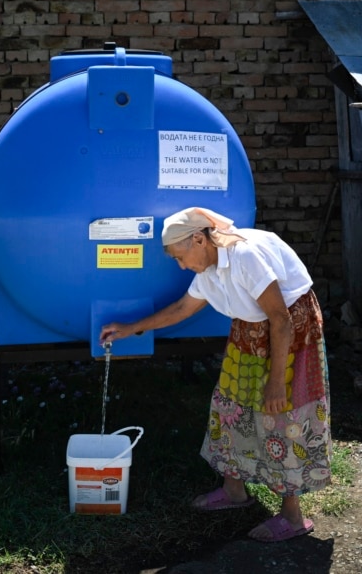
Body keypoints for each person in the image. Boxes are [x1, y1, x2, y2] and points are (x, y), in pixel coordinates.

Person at [100, 206, 332, 543]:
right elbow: (182, 308)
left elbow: (280, 319)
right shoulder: (209, 268)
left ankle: (293, 517)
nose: (182, 266)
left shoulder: (245, 256)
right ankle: (234, 490)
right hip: (249, 330)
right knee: (230, 406)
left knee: (285, 417)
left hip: (291, 330)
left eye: (182, 257)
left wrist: (276, 382)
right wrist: (131, 328)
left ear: (199, 239)